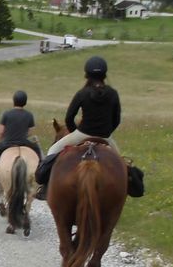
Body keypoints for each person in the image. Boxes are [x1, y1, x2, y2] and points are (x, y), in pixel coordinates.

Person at [35, 56, 122, 198]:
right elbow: (117, 119)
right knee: (121, 164)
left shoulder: (82, 93)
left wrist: (75, 131)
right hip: (105, 137)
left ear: (86, 74)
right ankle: (123, 191)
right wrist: (106, 133)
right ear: (104, 74)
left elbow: (69, 117)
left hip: (81, 135)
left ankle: (45, 187)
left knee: (52, 150)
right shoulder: (113, 94)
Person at [0, 90, 42, 186]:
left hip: (7, 142)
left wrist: (2, 138)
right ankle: (40, 177)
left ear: (14, 101)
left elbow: (1, 131)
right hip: (24, 142)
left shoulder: (7, 114)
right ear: (25, 102)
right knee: (39, 154)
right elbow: (30, 131)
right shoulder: (29, 115)